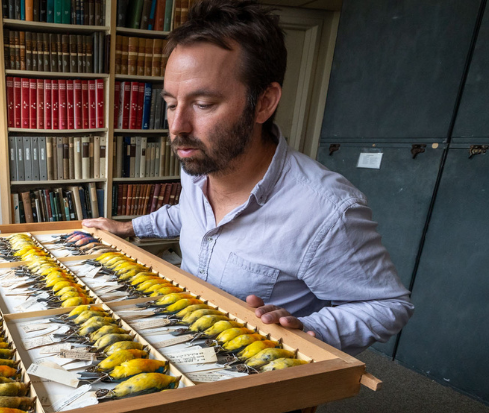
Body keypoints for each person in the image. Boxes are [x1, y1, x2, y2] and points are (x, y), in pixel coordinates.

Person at [84, 0, 412, 356]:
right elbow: (188, 214)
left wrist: (309, 327)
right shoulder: (198, 163)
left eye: (204, 104)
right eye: (171, 103)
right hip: (181, 339)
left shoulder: (328, 210)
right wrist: (130, 227)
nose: (177, 128)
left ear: (264, 103)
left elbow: (390, 307)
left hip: (253, 375)